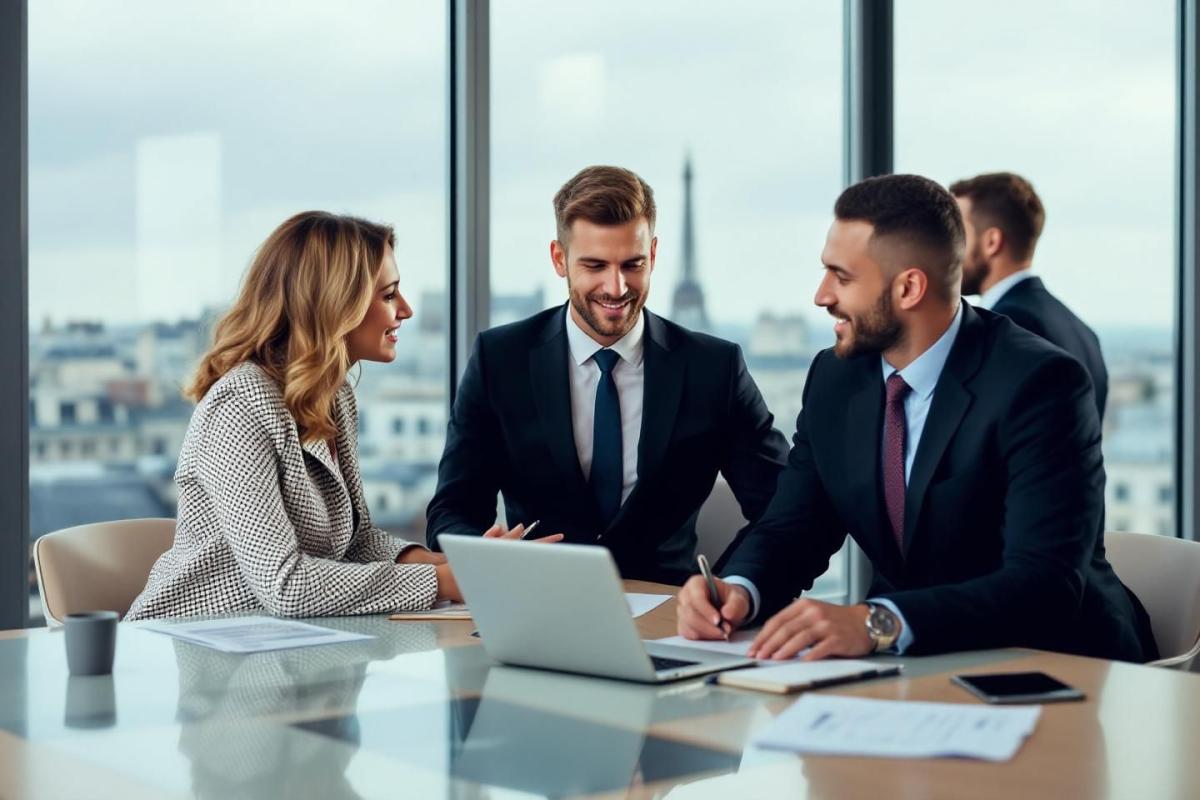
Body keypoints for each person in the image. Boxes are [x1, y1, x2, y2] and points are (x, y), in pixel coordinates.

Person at [674, 174, 1157, 662]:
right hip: (915, 667)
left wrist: (876, 622)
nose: (821, 296)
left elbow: (1043, 585)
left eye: (842, 277)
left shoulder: (1041, 385)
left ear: (908, 288)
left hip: (1057, 667)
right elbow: (792, 528)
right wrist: (739, 588)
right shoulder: (835, 377)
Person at [126, 212, 558, 621]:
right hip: (185, 650)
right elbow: (287, 585)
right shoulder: (239, 407)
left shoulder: (335, 398)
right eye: (388, 295)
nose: (405, 309)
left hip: (280, 651)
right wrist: (443, 581)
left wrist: (449, 563)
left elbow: (355, 541)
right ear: (336, 305)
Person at [425, 166, 789, 584]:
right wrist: (489, 562)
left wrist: (729, 588)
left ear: (653, 255)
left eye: (632, 265)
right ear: (559, 259)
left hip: (672, 618)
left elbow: (782, 510)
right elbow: (452, 509)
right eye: (595, 266)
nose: (616, 288)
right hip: (537, 604)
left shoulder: (715, 369)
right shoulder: (499, 360)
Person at [950, 171, 1108, 420]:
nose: (948, 249)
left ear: (992, 241)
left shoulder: (1005, 326)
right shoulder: (1081, 330)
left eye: (957, 234)